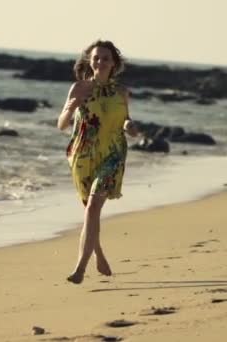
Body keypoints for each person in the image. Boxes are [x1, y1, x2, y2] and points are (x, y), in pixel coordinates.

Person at [57, 40, 138, 284]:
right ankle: (98, 254)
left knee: (93, 208)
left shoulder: (122, 92)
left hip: (113, 154)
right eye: (96, 58)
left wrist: (130, 127)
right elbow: (61, 125)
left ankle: (80, 269)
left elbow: (124, 120)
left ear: (114, 63)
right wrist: (69, 110)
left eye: (105, 58)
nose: (100, 62)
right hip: (83, 155)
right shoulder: (78, 88)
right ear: (89, 61)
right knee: (90, 212)